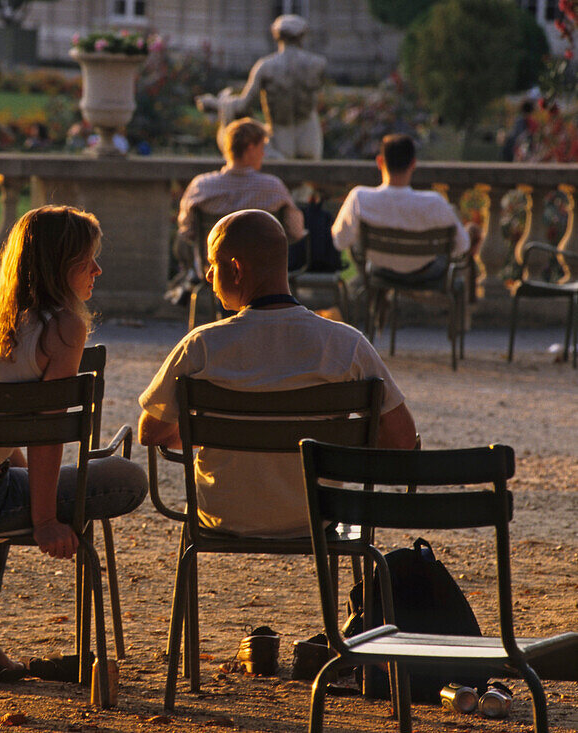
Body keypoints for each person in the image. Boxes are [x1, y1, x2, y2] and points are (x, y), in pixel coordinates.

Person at [0, 205, 148, 678]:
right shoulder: (64, 327)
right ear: (60, 268)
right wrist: (44, 521)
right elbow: (48, 435)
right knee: (128, 477)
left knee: (6, 474)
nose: (98, 271)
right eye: (88, 261)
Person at [139, 209, 416, 538]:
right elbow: (402, 440)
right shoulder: (346, 344)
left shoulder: (201, 345)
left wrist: (221, 429)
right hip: (317, 516)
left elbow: (151, 432)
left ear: (237, 269)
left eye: (214, 265)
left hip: (222, 514)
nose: (210, 277)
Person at [169, 118, 306, 306]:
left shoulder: (201, 186)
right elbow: (296, 230)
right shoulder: (272, 187)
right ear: (250, 148)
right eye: (261, 147)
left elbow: (186, 230)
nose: (263, 154)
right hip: (266, 273)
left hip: (215, 270)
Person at [332, 134, 481, 285]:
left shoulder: (360, 198)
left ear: (380, 161)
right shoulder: (435, 203)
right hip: (427, 274)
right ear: (413, 164)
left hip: (381, 272)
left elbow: (340, 241)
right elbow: (462, 246)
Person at [200, 14, 326, 160]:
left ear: (276, 35)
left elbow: (242, 106)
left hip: (281, 139)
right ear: (303, 35)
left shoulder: (266, 66)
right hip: (309, 138)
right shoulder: (318, 64)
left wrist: (215, 104)